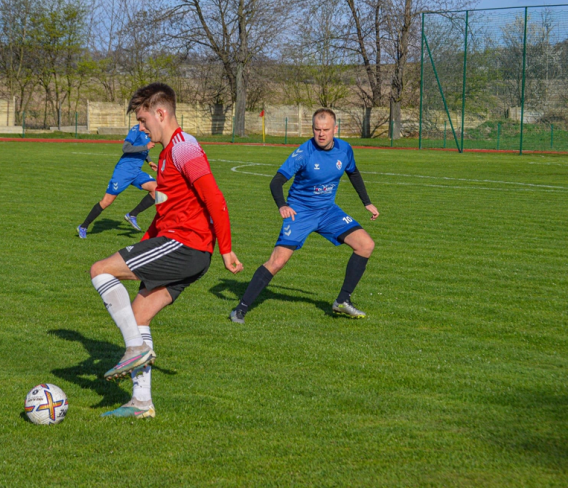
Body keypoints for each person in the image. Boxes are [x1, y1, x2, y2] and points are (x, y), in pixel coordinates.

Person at [89, 83, 243, 419]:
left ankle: (134, 348)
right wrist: (145, 242)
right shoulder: (166, 154)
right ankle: (141, 403)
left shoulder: (184, 148)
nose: (141, 128)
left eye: (143, 120)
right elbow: (165, 212)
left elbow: (214, 198)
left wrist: (227, 250)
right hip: (185, 248)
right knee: (140, 313)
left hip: (185, 245)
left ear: (161, 113)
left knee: (99, 270)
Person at [229, 108, 379, 323]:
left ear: (335, 129)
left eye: (326, 129)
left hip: (328, 211)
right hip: (301, 213)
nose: (321, 134)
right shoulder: (304, 152)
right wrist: (282, 205)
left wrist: (367, 202)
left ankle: (342, 301)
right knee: (278, 261)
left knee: (365, 245)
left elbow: (353, 172)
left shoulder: (344, 149)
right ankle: (240, 309)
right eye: (317, 129)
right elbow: (276, 181)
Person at [77, 125, 158, 238]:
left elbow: (142, 150)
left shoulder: (147, 131)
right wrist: (146, 146)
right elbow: (126, 148)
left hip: (136, 172)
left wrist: (149, 162)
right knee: (106, 202)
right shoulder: (136, 130)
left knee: (157, 190)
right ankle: (83, 226)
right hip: (123, 172)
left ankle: (132, 214)